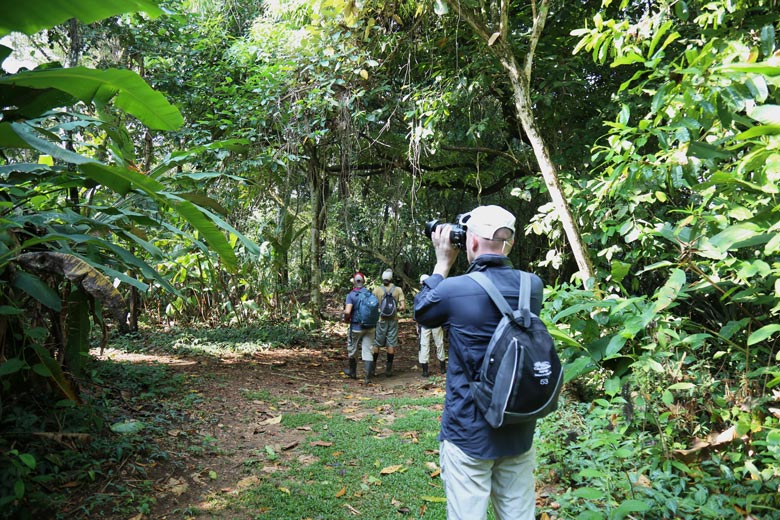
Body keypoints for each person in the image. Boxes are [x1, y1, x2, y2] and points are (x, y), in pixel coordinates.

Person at [414, 205, 544, 520]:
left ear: (470, 243)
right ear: (509, 243)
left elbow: (423, 312)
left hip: (468, 431)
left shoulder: (455, 290)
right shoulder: (533, 286)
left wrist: (442, 263)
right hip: (518, 427)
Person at [343, 272, 377, 384]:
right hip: (370, 326)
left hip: (356, 327)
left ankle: (353, 372)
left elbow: (348, 311)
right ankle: (367, 377)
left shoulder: (351, 295)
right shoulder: (369, 293)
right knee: (368, 350)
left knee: (352, 349)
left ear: (354, 282)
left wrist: (346, 318)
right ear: (363, 282)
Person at [372, 268, 405, 377]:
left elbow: (372, 306)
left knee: (376, 343)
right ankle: (388, 370)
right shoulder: (398, 290)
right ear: (391, 278)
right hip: (393, 320)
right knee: (391, 343)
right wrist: (394, 310)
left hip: (380, 320)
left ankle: (372, 368)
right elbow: (403, 307)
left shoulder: (377, 290)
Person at [417, 274, 446, 377]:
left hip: (424, 324)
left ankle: (425, 371)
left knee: (424, 346)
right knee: (439, 344)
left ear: (421, 283)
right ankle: (443, 368)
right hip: (436, 323)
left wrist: (418, 324)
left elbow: (416, 312)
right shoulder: (435, 293)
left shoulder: (419, 295)